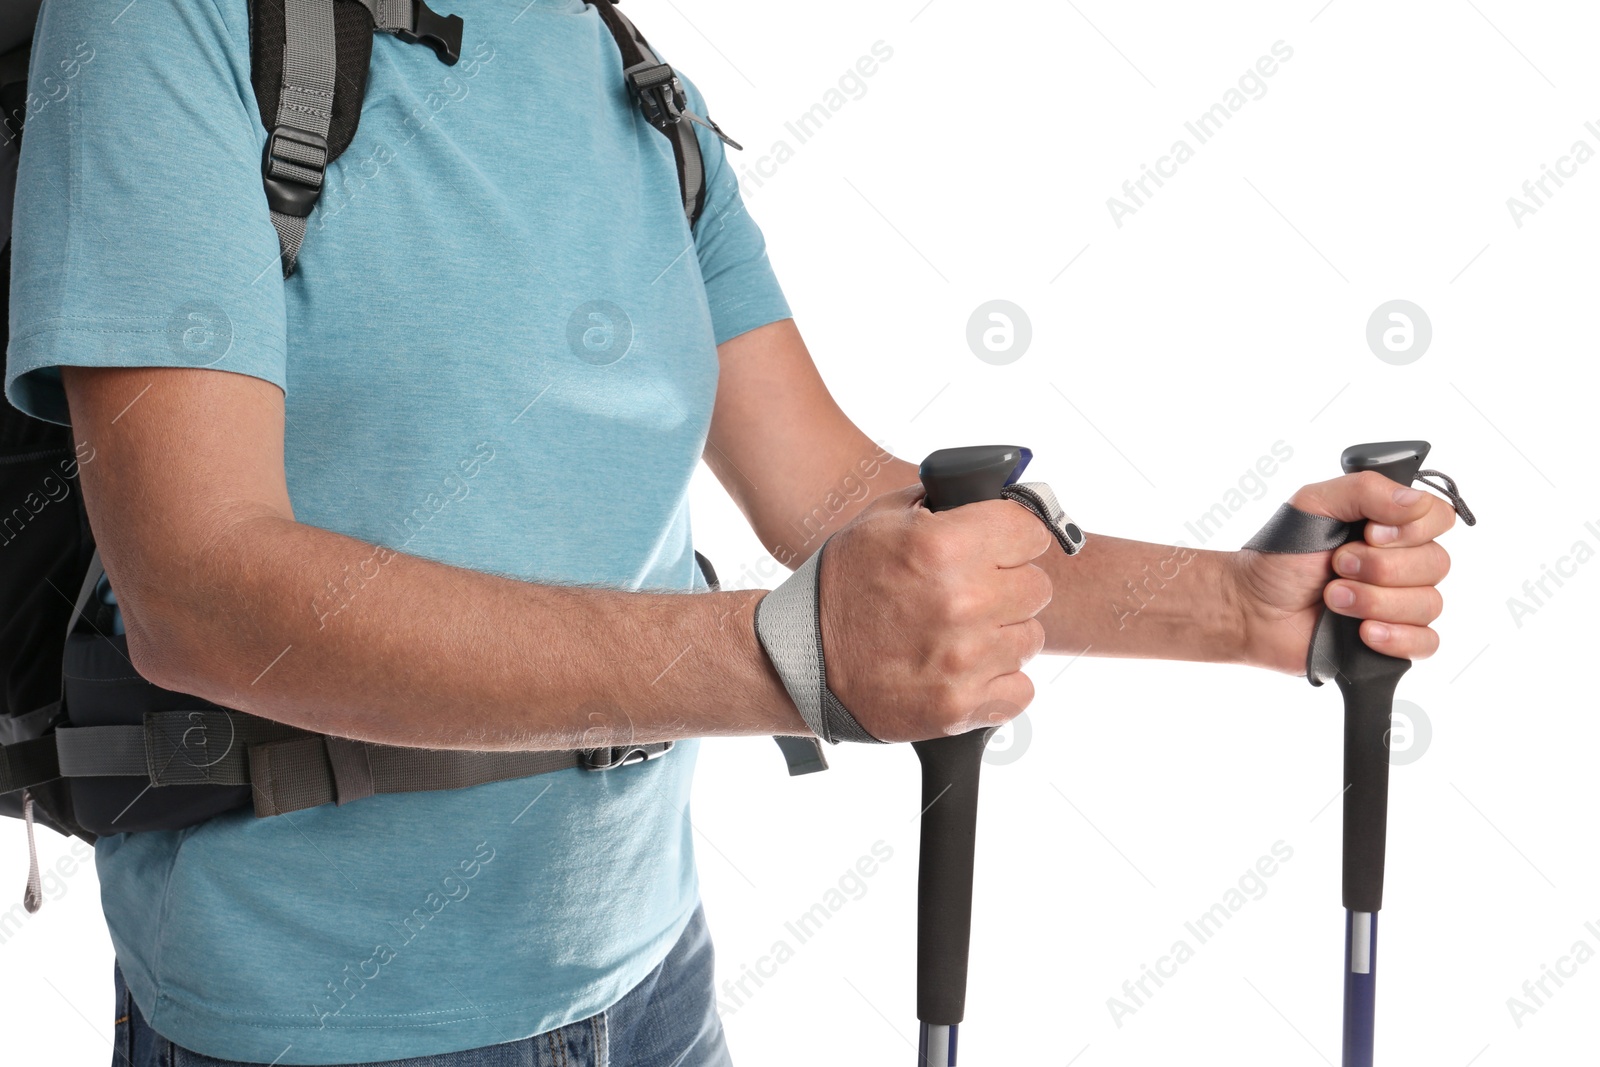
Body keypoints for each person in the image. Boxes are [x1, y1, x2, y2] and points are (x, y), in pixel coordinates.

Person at [3, 2, 1458, 1066]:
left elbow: (834, 498)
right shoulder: (162, 25)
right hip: (310, 1029)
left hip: (652, 991)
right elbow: (199, 590)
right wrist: (777, 652)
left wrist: (1247, 607)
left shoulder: (627, 76)